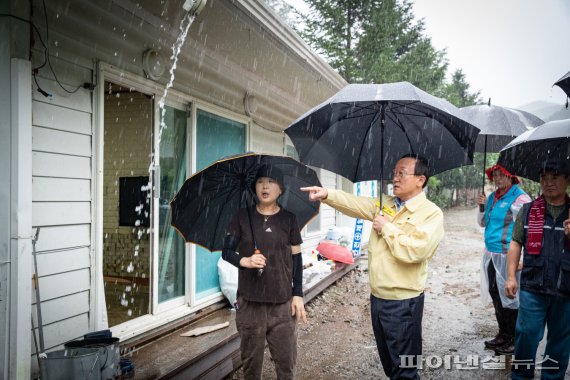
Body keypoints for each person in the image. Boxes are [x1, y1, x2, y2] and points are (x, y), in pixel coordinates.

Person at [301, 154, 444, 380]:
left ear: (420, 180)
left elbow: (418, 251)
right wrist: (328, 194)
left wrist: (387, 228)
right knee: (389, 363)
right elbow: (355, 204)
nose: (395, 178)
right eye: (394, 173)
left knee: (405, 368)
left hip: (403, 302)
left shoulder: (431, 213)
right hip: (378, 298)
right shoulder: (384, 203)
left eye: (402, 173)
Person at [222, 165, 307, 380]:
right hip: (250, 304)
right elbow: (226, 252)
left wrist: (298, 294)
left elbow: (297, 259)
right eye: (260, 181)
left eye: (271, 181)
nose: (265, 186)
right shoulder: (242, 217)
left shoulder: (289, 219)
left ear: (280, 189)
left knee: (286, 363)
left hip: (282, 304)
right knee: (251, 365)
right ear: (254, 187)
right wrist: (246, 260)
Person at [505, 160, 570, 379]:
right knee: (526, 335)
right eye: (544, 178)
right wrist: (511, 277)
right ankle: (521, 376)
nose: (549, 183)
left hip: (566, 289)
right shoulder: (529, 210)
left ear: (567, 179)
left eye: (555, 177)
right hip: (533, 286)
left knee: (560, 341)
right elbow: (516, 242)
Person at [476, 164, 531, 355]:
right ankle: (504, 333)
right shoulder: (492, 197)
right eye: (495, 175)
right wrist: (482, 206)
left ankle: (515, 339)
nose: (497, 179)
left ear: (511, 176)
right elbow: (483, 223)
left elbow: (528, 228)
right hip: (491, 254)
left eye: (502, 175)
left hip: (509, 255)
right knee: (495, 293)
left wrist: (523, 256)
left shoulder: (520, 198)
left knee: (510, 297)